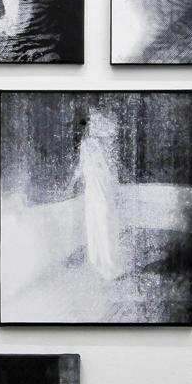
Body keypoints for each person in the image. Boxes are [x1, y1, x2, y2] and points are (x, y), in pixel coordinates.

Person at [71, 113, 121, 280]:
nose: (91, 126)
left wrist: (100, 151)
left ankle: (111, 269)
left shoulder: (105, 150)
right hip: (90, 200)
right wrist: (69, 185)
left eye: (95, 123)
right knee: (93, 232)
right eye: (91, 123)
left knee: (105, 232)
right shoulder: (85, 147)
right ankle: (98, 266)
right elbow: (79, 169)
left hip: (103, 199)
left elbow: (112, 174)